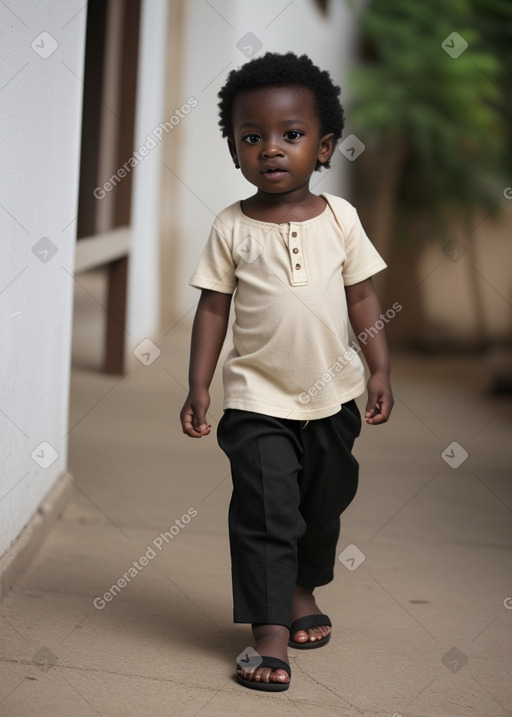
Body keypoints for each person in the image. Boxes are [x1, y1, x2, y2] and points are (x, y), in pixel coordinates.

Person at [180, 51, 394, 692]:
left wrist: (378, 367)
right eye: (253, 137)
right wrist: (198, 383)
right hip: (257, 399)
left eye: (291, 135)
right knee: (267, 509)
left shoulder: (341, 220)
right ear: (234, 150)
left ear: (324, 147)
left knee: (321, 503)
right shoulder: (231, 228)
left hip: (334, 398)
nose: (271, 149)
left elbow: (363, 297)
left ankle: (302, 587)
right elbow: (212, 309)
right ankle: (268, 631)